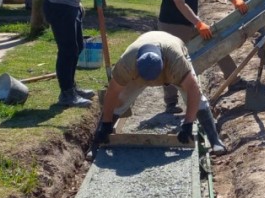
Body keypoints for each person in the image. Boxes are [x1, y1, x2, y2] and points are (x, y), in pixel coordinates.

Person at [93, 30, 228, 155]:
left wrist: (187, 124)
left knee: (199, 101)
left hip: (171, 50)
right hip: (140, 71)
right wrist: (106, 123)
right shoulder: (127, 63)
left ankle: (215, 140)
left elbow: (194, 91)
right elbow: (112, 92)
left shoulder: (176, 61)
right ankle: (96, 143)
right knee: (120, 101)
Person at [158, 0, 249, 114]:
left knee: (215, 44)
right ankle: (171, 103)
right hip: (171, 24)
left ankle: (233, 81)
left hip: (191, 21)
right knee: (171, 60)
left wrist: (234, 0)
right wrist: (198, 23)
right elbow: (180, 4)